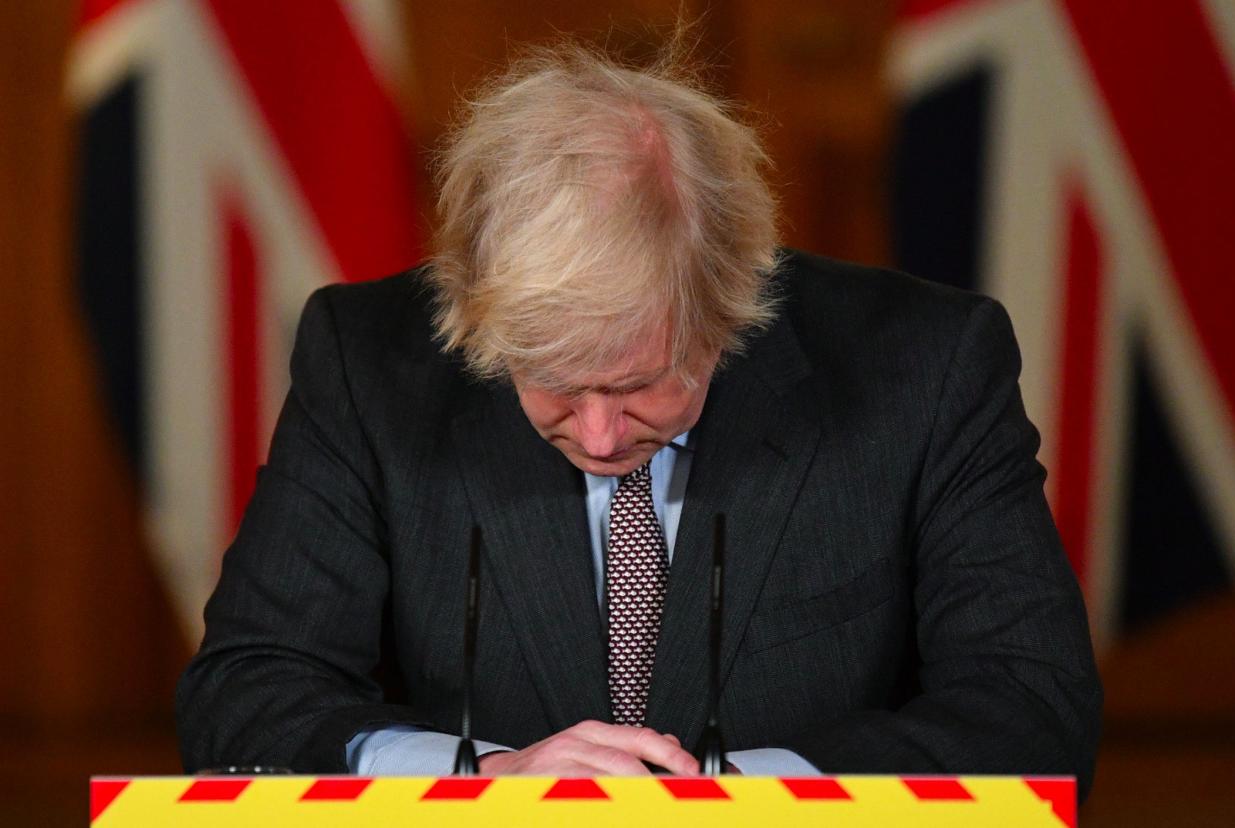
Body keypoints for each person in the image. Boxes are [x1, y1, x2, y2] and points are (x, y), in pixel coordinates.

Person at [176, 41, 1102, 789]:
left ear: (732, 302)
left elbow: (1032, 707)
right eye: (549, 382)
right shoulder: (367, 363)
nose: (598, 436)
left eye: (636, 385)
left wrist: (746, 794)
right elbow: (246, 692)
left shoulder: (928, 368)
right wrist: (484, 780)